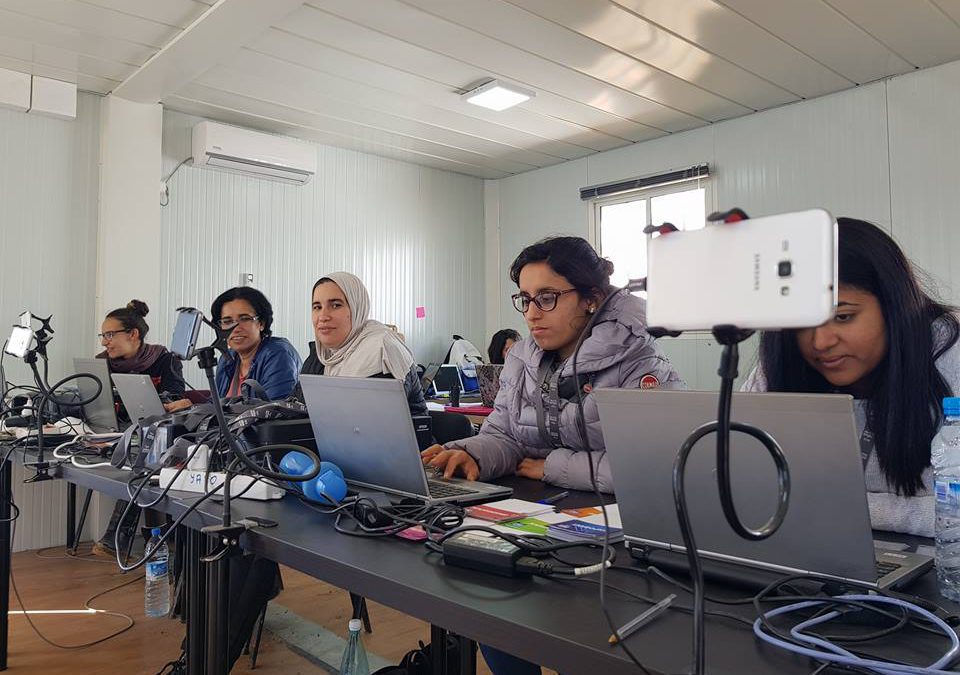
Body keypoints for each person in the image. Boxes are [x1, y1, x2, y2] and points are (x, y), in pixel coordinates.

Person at [742, 218, 960, 537]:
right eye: (803, 322)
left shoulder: (950, 355)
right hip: (816, 554)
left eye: (843, 317)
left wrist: (838, 507)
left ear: (893, 306)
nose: (820, 342)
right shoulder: (783, 359)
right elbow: (743, 484)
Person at [422, 235, 682, 492]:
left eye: (547, 298)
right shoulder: (520, 359)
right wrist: (472, 454)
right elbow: (506, 437)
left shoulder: (640, 362)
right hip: (543, 505)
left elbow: (653, 465)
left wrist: (552, 466)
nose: (532, 314)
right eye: (526, 300)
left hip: (622, 517)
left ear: (591, 299)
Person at [94, 300, 188, 556]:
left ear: (133, 334)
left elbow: (175, 398)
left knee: (143, 464)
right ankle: (153, 539)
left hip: (156, 435)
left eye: (110, 335)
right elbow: (91, 402)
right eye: (103, 336)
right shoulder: (101, 363)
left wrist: (159, 401)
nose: (105, 342)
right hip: (111, 431)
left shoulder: (164, 360)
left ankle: (121, 538)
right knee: (142, 463)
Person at [293, 272, 427, 416]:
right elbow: (296, 410)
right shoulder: (320, 356)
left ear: (357, 307)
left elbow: (371, 423)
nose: (323, 316)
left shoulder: (381, 349)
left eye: (336, 305)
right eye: (317, 307)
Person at [211, 287, 302, 400]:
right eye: (227, 321)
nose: (235, 328)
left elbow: (274, 410)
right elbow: (214, 405)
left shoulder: (279, 355)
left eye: (244, 319)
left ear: (261, 323)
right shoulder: (227, 359)